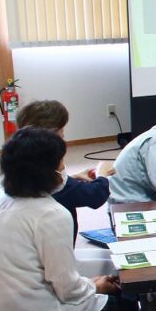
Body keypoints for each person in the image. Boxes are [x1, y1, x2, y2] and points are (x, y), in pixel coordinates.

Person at [0, 128, 137, 311]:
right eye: (61, 163)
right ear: (47, 171)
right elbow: (68, 290)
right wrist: (96, 287)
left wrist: (90, 283)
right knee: (127, 306)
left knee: (106, 289)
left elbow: (41, 275)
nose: (64, 170)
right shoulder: (51, 214)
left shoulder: (2, 203)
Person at [17, 99, 114, 242]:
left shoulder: (21, 166)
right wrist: (102, 174)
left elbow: (63, 188)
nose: (63, 137)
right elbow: (95, 196)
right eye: (61, 133)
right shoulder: (52, 178)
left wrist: (73, 177)